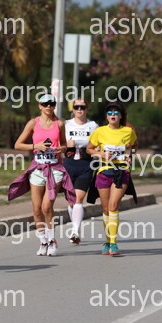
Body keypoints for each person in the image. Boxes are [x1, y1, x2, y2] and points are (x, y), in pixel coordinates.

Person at [9, 94, 75, 256]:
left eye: (51, 103)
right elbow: (18, 144)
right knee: (37, 209)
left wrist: (61, 149)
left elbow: (64, 144)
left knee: (47, 206)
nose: (48, 106)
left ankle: (52, 240)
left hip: (55, 169)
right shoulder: (33, 123)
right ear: (39, 106)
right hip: (38, 169)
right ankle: (43, 241)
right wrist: (36, 146)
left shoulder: (59, 124)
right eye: (45, 104)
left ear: (55, 105)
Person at [86, 102, 138, 256]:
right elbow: (89, 149)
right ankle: (108, 241)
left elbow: (135, 145)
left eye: (116, 112)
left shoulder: (128, 131)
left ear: (121, 116)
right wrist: (101, 154)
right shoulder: (99, 131)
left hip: (121, 171)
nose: (113, 115)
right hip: (104, 170)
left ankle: (114, 244)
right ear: (106, 116)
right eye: (110, 113)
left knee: (113, 205)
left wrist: (130, 156)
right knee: (106, 209)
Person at [63, 98, 99, 244]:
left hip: (85, 165)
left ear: (87, 109)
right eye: (76, 107)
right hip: (69, 164)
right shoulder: (66, 124)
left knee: (78, 199)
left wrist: (95, 151)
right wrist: (67, 146)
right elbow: (58, 143)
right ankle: (75, 226)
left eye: (82, 107)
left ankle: (75, 231)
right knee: (71, 201)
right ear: (72, 109)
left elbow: (98, 145)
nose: (79, 110)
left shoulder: (93, 126)